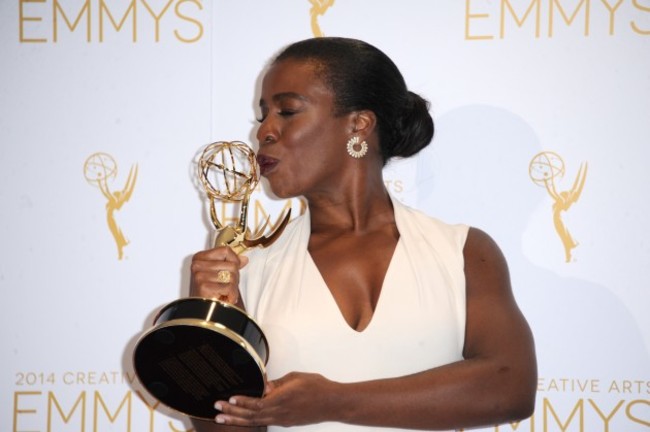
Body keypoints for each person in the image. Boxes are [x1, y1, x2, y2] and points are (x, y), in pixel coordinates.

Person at [188, 37, 537, 432]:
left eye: (287, 111)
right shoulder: (249, 268)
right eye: (262, 115)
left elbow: (510, 389)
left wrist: (333, 401)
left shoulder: (462, 252)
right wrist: (206, 328)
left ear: (359, 124)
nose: (264, 132)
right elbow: (228, 425)